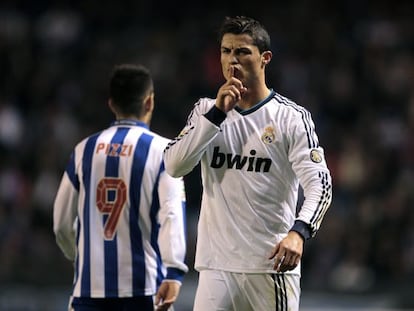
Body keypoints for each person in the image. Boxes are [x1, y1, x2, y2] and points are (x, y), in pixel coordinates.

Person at [163, 16, 332, 311]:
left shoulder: (291, 118)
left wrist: (299, 232)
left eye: (242, 51)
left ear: (265, 58)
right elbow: (174, 165)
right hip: (216, 265)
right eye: (226, 51)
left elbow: (321, 184)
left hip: (270, 265)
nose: (232, 60)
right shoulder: (205, 110)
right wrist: (216, 115)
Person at [53, 64, 188, 311]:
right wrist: (174, 271)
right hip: (144, 290)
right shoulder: (164, 152)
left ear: (111, 104)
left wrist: (80, 255)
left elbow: (61, 222)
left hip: (88, 291)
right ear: (150, 103)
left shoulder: (84, 150)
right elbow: (171, 213)